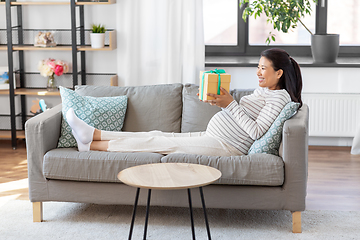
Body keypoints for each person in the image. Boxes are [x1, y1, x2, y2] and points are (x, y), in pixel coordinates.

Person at [66, 48, 302, 156]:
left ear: (279, 73)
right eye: (258, 67)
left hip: (227, 147)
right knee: (156, 133)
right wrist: (222, 103)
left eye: (263, 68)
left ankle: (91, 146)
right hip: (215, 137)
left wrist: (230, 104)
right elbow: (244, 116)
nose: (258, 72)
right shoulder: (264, 91)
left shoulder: (279, 98)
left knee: (154, 142)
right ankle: (93, 134)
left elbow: (258, 132)